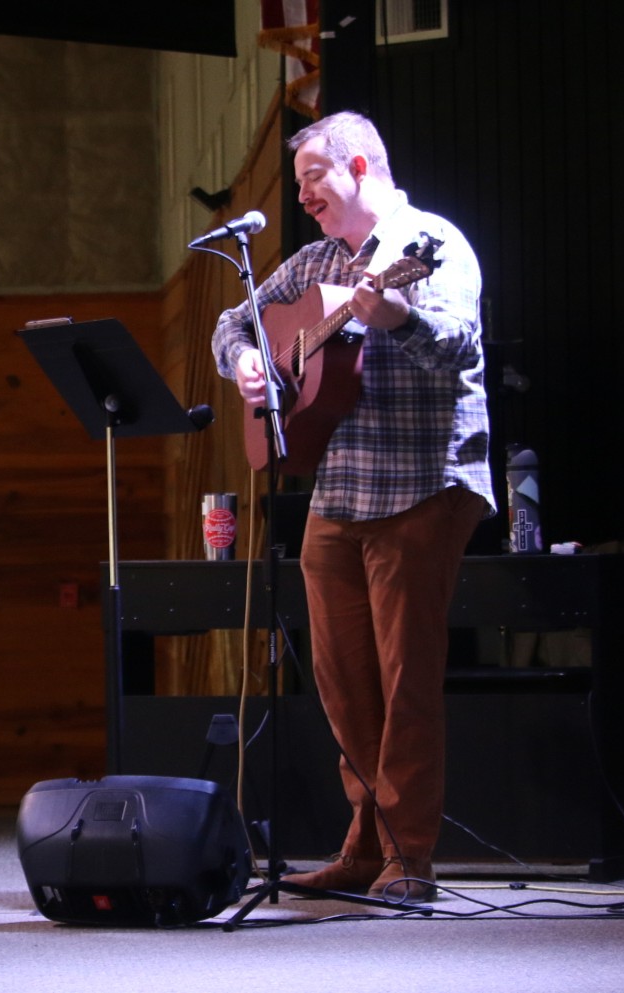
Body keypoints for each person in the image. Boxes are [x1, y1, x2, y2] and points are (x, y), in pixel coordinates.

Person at [211, 111, 495, 903]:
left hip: (423, 480)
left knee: (405, 677)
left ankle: (411, 856)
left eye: (313, 178)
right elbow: (234, 322)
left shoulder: (426, 242)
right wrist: (247, 365)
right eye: (298, 183)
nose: (303, 196)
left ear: (362, 167)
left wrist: (392, 316)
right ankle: (363, 844)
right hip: (338, 490)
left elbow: (460, 342)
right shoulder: (313, 262)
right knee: (341, 679)